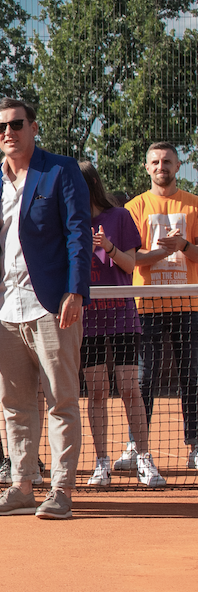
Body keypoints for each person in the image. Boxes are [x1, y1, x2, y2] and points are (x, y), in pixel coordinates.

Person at [0, 98, 90, 521]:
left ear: (34, 127)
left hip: (52, 307)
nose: (8, 132)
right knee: (15, 403)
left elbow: (78, 233)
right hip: (4, 308)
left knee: (61, 400)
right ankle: (22, 486)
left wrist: (75, 291)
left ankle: (61, 489)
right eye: (0, 127)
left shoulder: (61, 170)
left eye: (16, 124)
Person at [78, 160, 162, 487]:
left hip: (122, 314)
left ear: (89, 185)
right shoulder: (69, 220)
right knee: (97, 391)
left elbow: (130, 265)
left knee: (129, 388)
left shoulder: (120, 217)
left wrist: (108, 247)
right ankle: (101, 463)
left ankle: (144, 458)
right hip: (88, 317)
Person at [126, 141, 198, 471]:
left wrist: (183, 245)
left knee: (192, 378)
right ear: (146, 167)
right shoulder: (135, 207)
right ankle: (136, 446)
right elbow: (129, 257)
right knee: (143, 380)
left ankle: (195, 446)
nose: (161, 166)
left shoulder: (193, 205)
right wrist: (159, 253)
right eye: (154, 162)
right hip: (147, 305)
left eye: (167, 161)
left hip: (188, 305)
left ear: (178, 165)